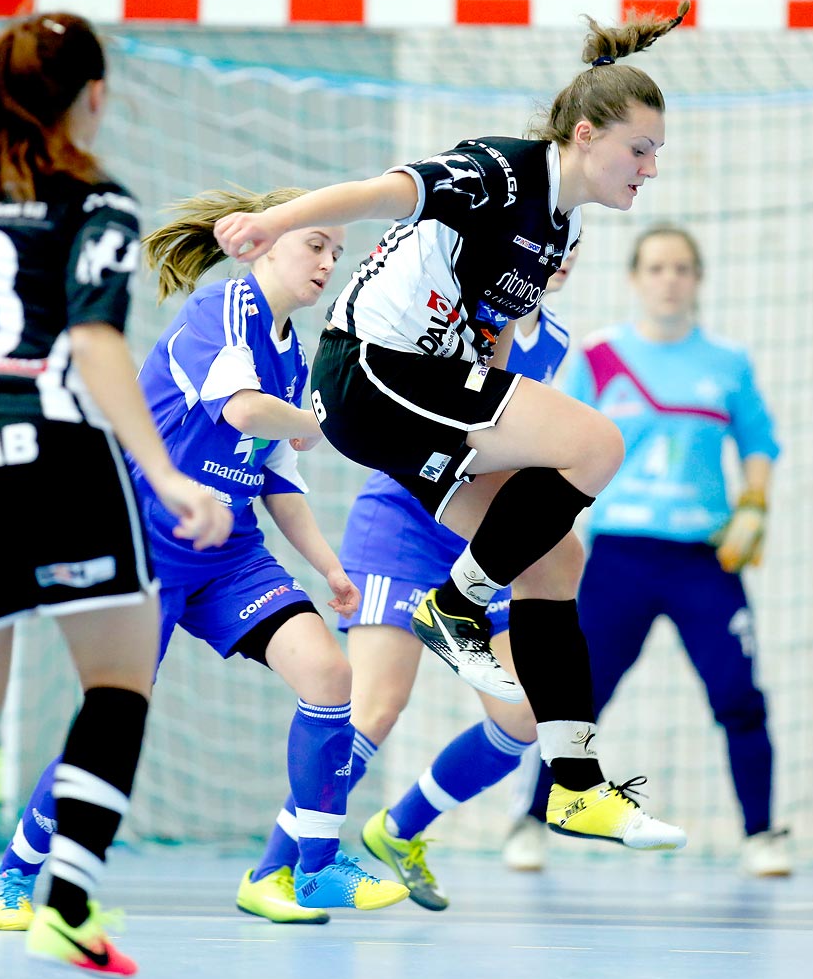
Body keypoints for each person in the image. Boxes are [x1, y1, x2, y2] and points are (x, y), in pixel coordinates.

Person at [215, 3, 693, 855]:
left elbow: (494, 341)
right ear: (585, 135)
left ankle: (577, 787)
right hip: (370, 371)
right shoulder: (498, 173)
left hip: (419, 393)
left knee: (558, 558)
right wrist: (274, 225)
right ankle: (456, 605)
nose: (651, 169)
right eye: (641, 150)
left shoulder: (562, 227)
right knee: (599, 443)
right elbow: (375, 193)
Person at [0, 187, 410, 936]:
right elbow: (246, 412)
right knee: (112, 721)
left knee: (329, 672)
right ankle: (18, 871)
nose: (328, 263)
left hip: (231, 551)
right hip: (148, 544)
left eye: (338, 252)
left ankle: (311, 869)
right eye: (316, 244)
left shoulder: (291, 351)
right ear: (267, 243)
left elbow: (275, 473)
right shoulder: (218, 312)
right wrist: (317, 419)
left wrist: (329, 569)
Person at [0, 12, 232, 976]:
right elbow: (94, 339)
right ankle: (67, 900)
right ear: (93, 94)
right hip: (60, 459)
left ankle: (62, 897)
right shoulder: (95, 197)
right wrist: (165, 477)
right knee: (117, 683)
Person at [244, 250, 576, 917]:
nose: (554, 256)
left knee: (521, 718)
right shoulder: (460, 317)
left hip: (485, 537)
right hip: (406, 517)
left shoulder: (560, 342)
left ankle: (397, 830)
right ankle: (272, 873)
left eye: (564, 246)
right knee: (373, 709)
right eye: (543, 244)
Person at [502, 225, 793, 878]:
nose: (670, 279)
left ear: (697, 280)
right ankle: (530, 820)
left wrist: (753, 505)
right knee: (575, 696)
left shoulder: (727, 363)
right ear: (636, 278)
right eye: (657, 267)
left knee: (737, 693)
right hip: (618, 560)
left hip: (702, 561)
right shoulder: (601, 355)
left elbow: (760, 443)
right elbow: (556, 443)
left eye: (683, 268)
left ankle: (763, 835)